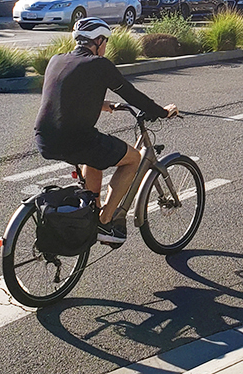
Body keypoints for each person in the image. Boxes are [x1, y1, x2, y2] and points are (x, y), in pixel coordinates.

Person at [34, 17, 178, 245]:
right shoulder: (99, 64)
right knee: (133, 159)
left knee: (95, 157)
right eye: (106, 42)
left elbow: (62, 92)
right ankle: (105, 222)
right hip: (75, 139)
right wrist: (162, 111)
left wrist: (102, 104)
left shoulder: (57, 60)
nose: (106, 47)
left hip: (44, 139)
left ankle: (92, 214)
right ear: (98, 41)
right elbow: (132, 95)